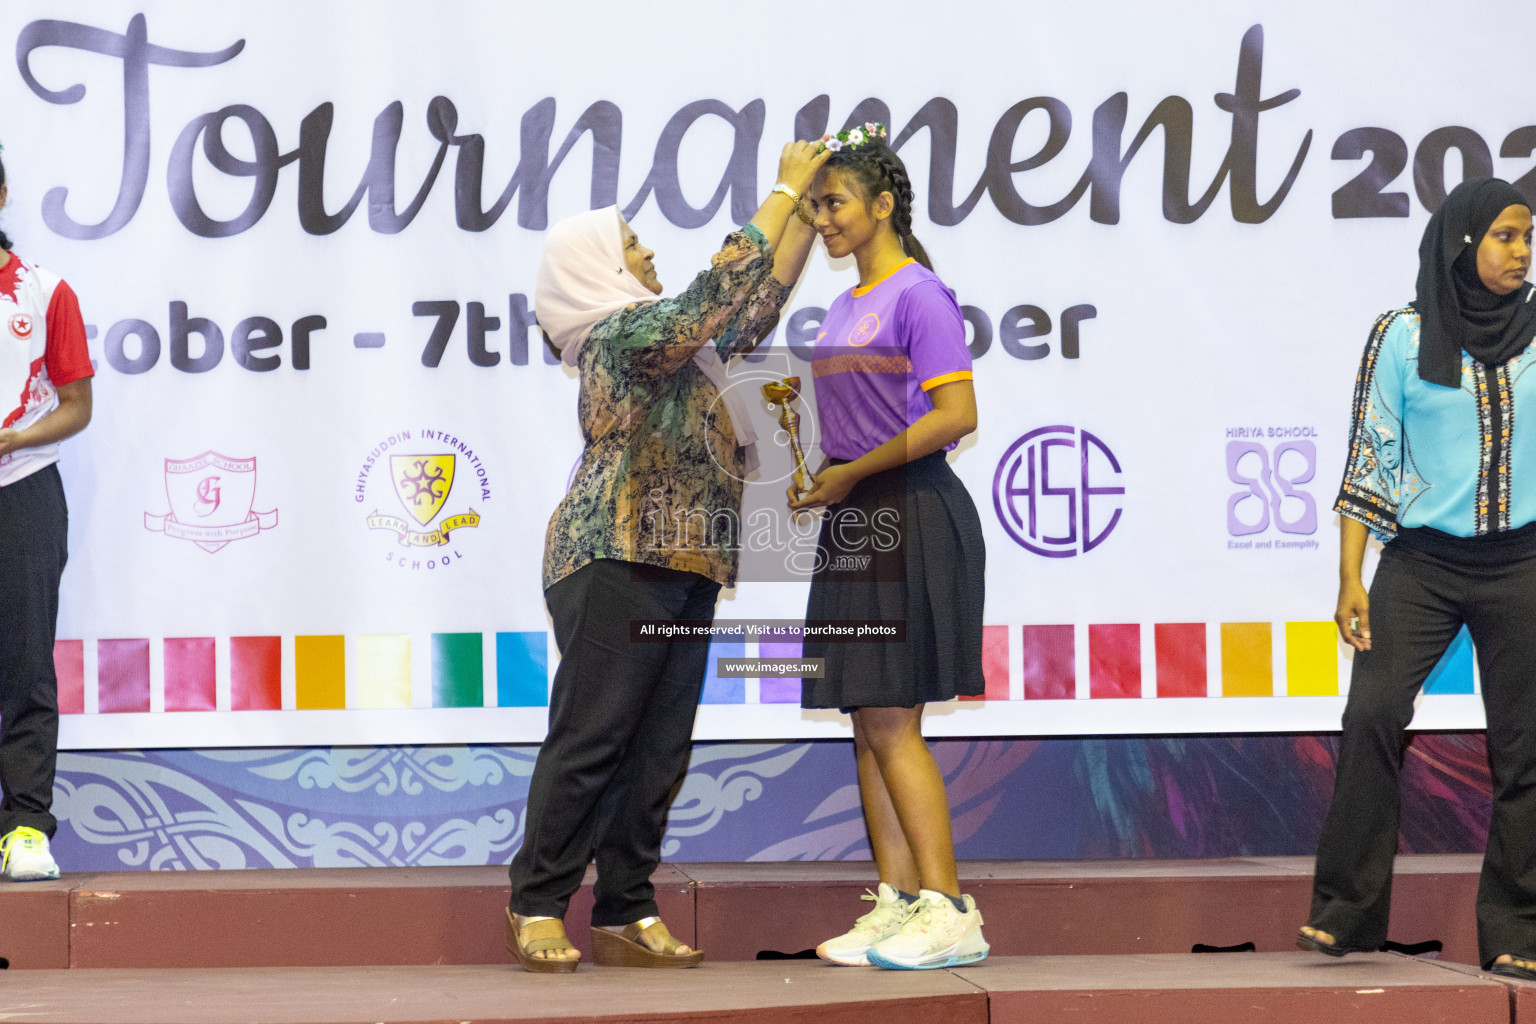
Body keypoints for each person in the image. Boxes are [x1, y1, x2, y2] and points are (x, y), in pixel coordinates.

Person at [504, 140, 828, 972]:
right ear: (598, 266)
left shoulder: (684, 346)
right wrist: (782, 187)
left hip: (689, 564)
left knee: (658, 749)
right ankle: (538, 901)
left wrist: (803, 205)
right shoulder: (620, 336)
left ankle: (624, 909)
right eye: (635, 244)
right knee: (593, 737)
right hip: (614, 555)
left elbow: (751, 306)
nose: (648, 252)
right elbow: (711, 298)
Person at [1299, 177, 1536, 977]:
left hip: (1525, 562)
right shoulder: (1401, 336)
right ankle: (1346, 914)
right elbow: (1370, 458)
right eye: (1507, 236)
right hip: (1423, 561)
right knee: (1371, 711)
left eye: (1528, 237)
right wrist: (1349, 577)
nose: (1522, 252)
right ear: (1465, 244)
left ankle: (1517, 933)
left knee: (1526, 748)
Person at [788, 124, 988, 970]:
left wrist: (849, 473)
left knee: (895, 715)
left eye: (832, 204)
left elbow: (957, 417)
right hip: (855, 514)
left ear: (883, 204)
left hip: (912, 512)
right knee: (866, 719)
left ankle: (950, 911)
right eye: (813, 205)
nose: (822, 220)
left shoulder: (920, 295)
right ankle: (899, 903)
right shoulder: (839, 305)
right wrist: (817, 478)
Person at [0, 147, 94, 882]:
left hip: (21, 488)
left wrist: (17, 438)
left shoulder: (44, 292)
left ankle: (26, 826)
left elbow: (76, 406)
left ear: (1, 195)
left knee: (26, 661)